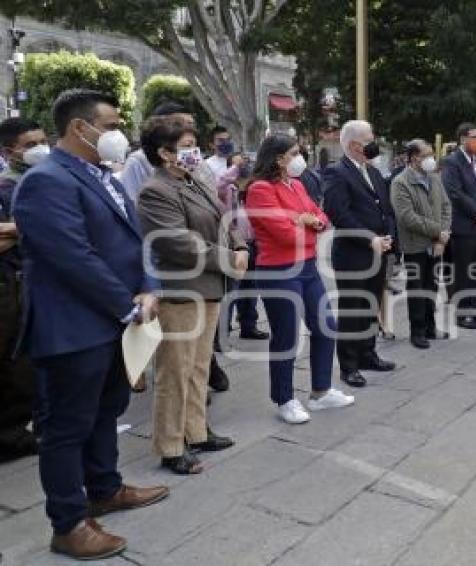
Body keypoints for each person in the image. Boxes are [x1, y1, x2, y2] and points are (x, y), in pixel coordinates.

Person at [13, 89, 168, 560]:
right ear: (81, 128)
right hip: (74, 327)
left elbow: (134, 238)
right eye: (113, 123)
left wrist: (150, 286)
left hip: (116, 322)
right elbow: (71, 257)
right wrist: (126, 303)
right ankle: (69, 521)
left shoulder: (101, 175)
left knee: (106, 410)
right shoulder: (45, 181)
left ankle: (105, 487)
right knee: (66, 427)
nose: (119, 133)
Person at [136, 117, 245, 474]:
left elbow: (222, 216)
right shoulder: (156, 190)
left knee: (199, 366)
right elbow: (181, 243)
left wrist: (240, 244)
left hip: (209, 287)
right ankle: (170, 445)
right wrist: (230, 259)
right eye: (184, 146)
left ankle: (196, 431)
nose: (193, 152)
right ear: (164, 153)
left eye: (193, 144)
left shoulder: (193, 180)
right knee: (174, 371)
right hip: (181, 291)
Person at [246, 134, 354, 423]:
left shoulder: (294, 184)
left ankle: (321, 390)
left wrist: (309, 220)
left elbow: (321, 216)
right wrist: (304, 220)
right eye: (294, 153)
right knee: (287, 336)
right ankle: (284, 398)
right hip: (279, 271)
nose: (299, 158)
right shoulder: (260, 189)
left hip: (307, 266)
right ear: (278, 158)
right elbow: (283, 234)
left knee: (326, 325)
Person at [322, 120, 397, 388]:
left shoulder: (373, 172)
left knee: (370, 306)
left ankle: (368, 353)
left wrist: (388, 236)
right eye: (370, 138)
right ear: (355, 144)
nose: (375, 142)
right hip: (353, 254)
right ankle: (349, 366)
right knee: (353, 310)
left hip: (379, 250)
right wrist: (370, 239)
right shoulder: (336, 173)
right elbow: (339, 213)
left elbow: (385, 208)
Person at [0, 117, 48, 461]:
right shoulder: (7, 186)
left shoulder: (43, 180)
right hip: (10, 283)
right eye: (30, 145)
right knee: (13, 363)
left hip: (33, 280)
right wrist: (23, 228)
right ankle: (10, 435)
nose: (40, 150)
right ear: (9, 151)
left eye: (43, 141)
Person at [390, 139, 452, 348]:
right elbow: (407, 217)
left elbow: (446, 206)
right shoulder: (401, 182)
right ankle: (417, 331)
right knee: (417, 288)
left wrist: (442, 235)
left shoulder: (434, 178)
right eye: (426, 154)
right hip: (415, 245)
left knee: (432, 286)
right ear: (414, 158)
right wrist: (439, 232)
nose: (430, 158)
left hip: (437, 243)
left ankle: (430, 326)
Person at [441, 122, 476, 329]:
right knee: (463, 271)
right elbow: (454, 193)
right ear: (463, 139)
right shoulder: (451, 162)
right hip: (464, 226)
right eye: (474, 137)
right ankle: (462, 314)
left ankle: (474, 309)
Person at [216, 152, 269, 341]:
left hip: (253, 245)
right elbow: (219, 182)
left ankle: (249, 326)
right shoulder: (226, 190)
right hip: (233, 246)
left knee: (251, 287)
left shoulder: (253, 190)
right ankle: (223, 331)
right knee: (232, 289)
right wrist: (235, 166)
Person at [119, 101, 197, 202]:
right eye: (179, 124)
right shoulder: (137, 161)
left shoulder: (194, 158)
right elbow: (131, 200)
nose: (187, 129)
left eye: (191, 124)